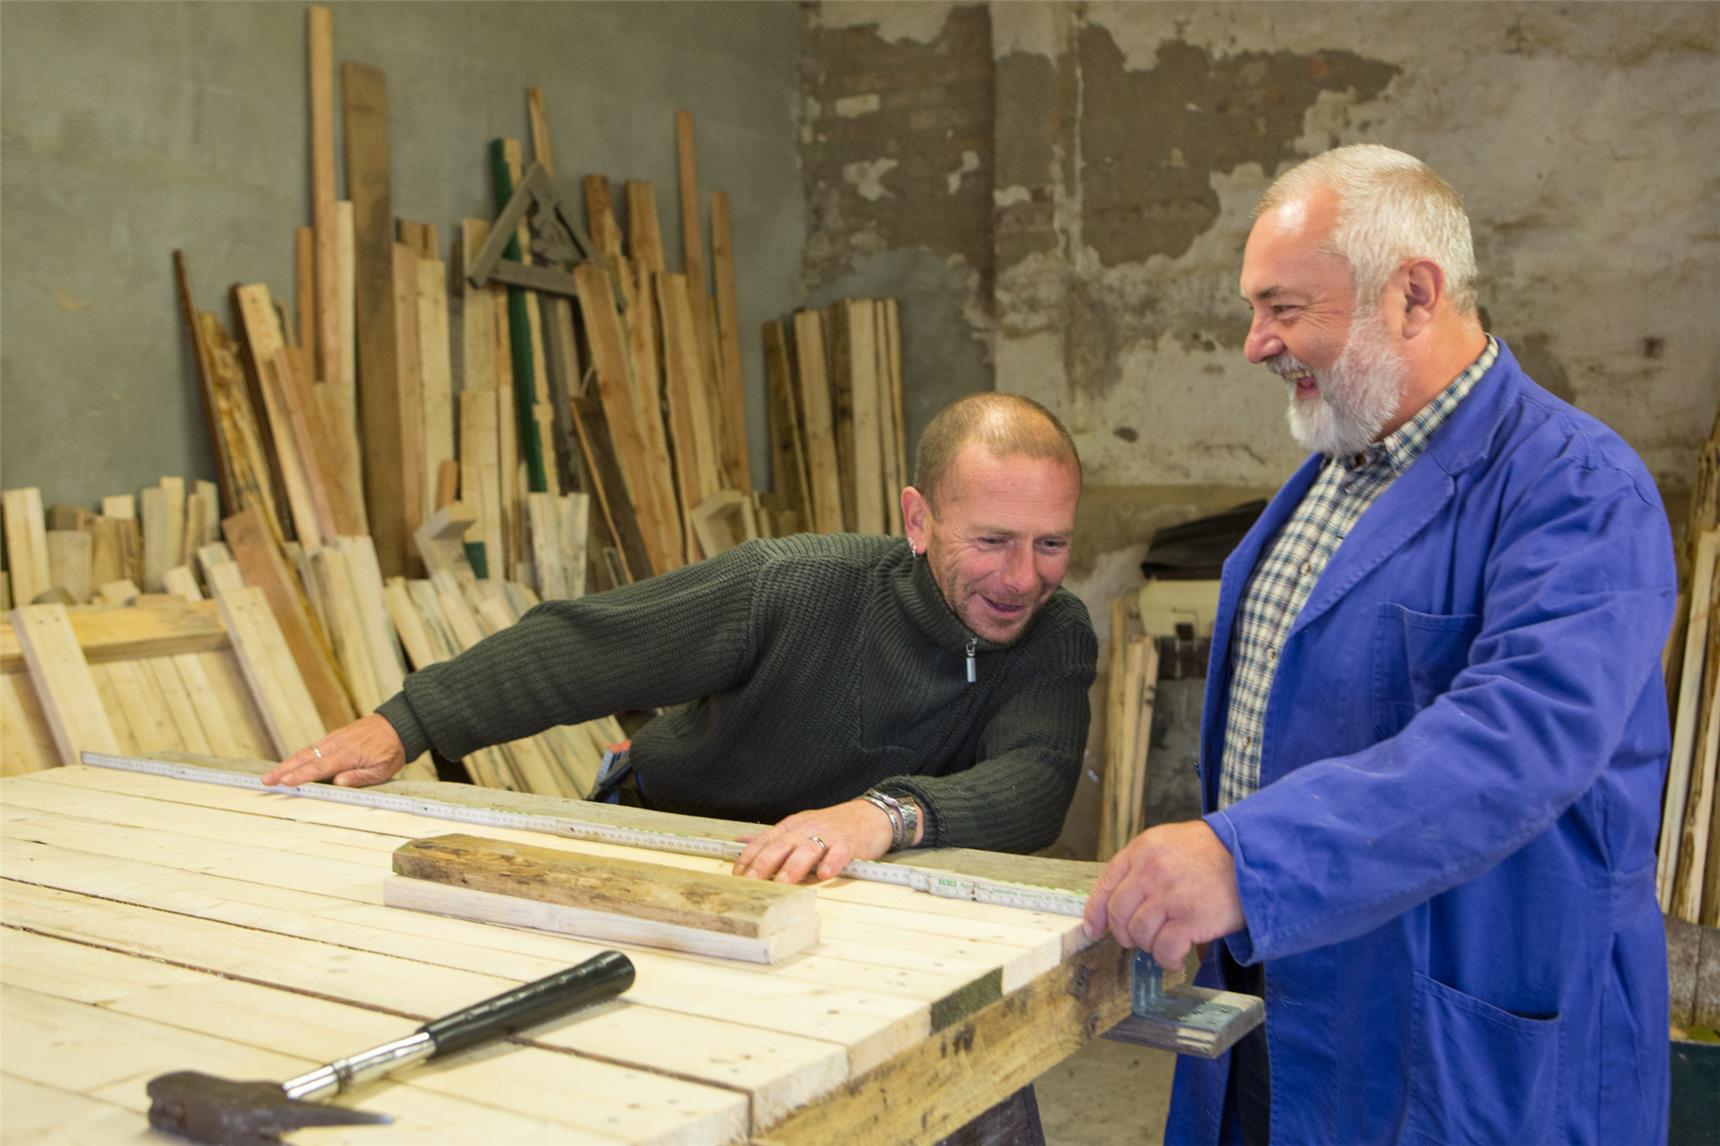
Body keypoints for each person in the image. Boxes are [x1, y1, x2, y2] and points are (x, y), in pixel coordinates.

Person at [1084, 144, 1675, 1144]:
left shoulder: (1578, 488)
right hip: (1289, 989)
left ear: (1413, 295)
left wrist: (1245, 862)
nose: (1254, 345)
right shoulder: (1337, 470)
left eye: (1282, 308)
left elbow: (1516, 742)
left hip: (1456, 1032)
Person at [264, 392, 1097, 889]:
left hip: (837, 877)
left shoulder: (1053, 636)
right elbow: (585, 650)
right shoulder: (793, 585)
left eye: (1051, 543)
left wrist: (881, 816)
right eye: (992, 541)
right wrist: (406, 724)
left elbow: (1035, 784)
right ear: (918, 519)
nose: (1023, 578)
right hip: (670, 835)